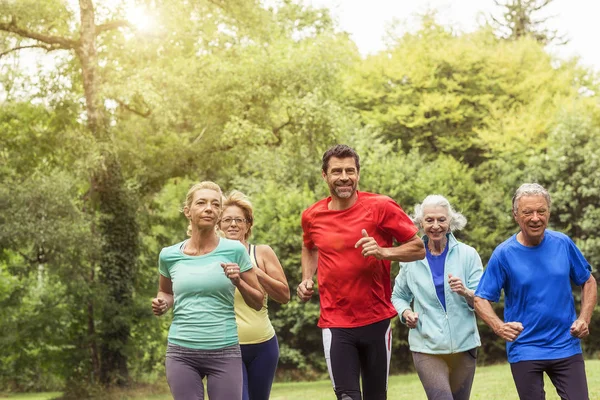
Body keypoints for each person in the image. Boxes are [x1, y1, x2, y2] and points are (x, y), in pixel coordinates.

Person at [298, 144, 426, 400]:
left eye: (349, 170)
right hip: (336, 323)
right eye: (336, 171)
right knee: (347, 396)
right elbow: (309, 247)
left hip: (376, 320)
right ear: (324, 175)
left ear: (358, 173)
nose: (343, 177)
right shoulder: (312, 216)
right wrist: (306, 278)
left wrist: (383, 252)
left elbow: (418, 248)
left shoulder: (381, 206)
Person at [474, 183, 597, 400]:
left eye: (541, 211)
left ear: (548, 212)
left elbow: (588, 281)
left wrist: (584, 319)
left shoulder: (563, 243)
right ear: (515, 215)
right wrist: (499, 327)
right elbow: (481, 298)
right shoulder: (503, 254)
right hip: (525, 347)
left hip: (565, 345)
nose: (535, 218)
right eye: (527, 212)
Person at [151, 181, 264, 400]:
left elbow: (258, 300)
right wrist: (162, 302)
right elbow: (166, 292)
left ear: (219, 212)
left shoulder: (234, 250)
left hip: (224, 351)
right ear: (188, 211)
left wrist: (238, 280)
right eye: (201, 203)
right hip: (181, 351)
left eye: (215, 204)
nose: (209, 208)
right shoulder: (169, 255)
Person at [391, 195, 482, 400]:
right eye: (429, 220)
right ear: (420, 223)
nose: (436, 225)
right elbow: (398, 296)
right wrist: (405, 313)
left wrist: (465, 291)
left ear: (450, 222)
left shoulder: (468, 255)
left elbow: (482, 299)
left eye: (441, 219)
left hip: (464, 345)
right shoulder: (411, 258)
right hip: (426, 346)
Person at [218, 190, 290, 400]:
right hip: (227, 347)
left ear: (248, 225)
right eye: (227, 219)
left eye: (239, 220)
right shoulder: (211, 256)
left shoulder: (262, 252)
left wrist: (253, 270)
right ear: (219, 225)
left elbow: (284, 295)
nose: (233, 224)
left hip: (264, 346)